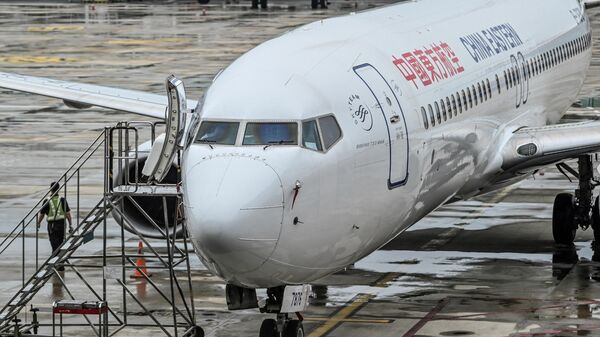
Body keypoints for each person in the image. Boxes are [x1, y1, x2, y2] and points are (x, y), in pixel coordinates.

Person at [37, 182, 73, 262]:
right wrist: (70, 224)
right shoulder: (62, 199)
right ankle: (60, 264)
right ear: (58, 189)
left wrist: (38, 223)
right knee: (60, 244)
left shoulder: (47, 200)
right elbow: (68, 214)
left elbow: (42, 214)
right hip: (62, 225)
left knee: (55, 246)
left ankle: (56, 263)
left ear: (51, 189)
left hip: (52, 226)